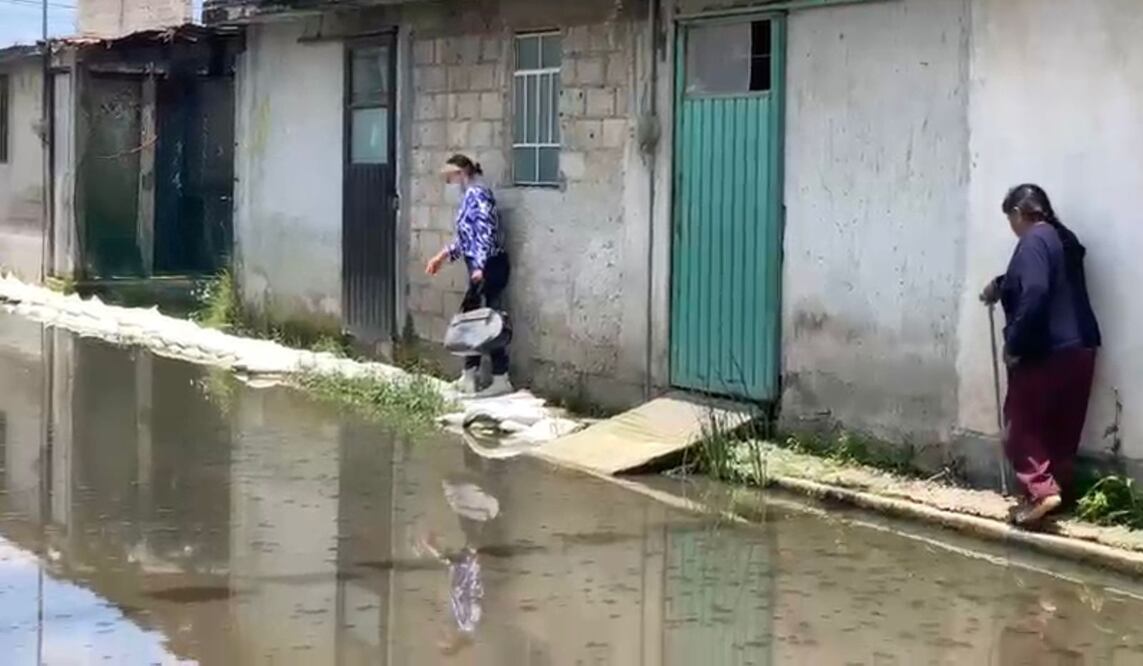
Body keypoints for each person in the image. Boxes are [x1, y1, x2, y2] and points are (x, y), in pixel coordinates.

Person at [981, 184, 1101, 526]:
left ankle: (1041, 493)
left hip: (1046, 351)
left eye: (1011, 219)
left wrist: (1015, 343)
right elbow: (1053, 276)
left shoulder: (1033, 240)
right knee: (1061, 426)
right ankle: (1059, 493)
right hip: (1081, 348)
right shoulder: (1065, 239)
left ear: (1020, 213)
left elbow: (1035, 289)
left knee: (1020, 426)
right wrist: (1004, 284)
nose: (1012, 227)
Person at [426, 154, 513, 397]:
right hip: (481, 265)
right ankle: (469, 376)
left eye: (450, 175)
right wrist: (441, 257)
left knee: (488, 321)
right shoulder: (469, 195)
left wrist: (480, 266)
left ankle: (500, 378)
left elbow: (485, 231)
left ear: (461, 172)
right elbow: (466, 239)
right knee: (473, 320)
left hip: (489, 267)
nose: (449, 180)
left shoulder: (478, 194)